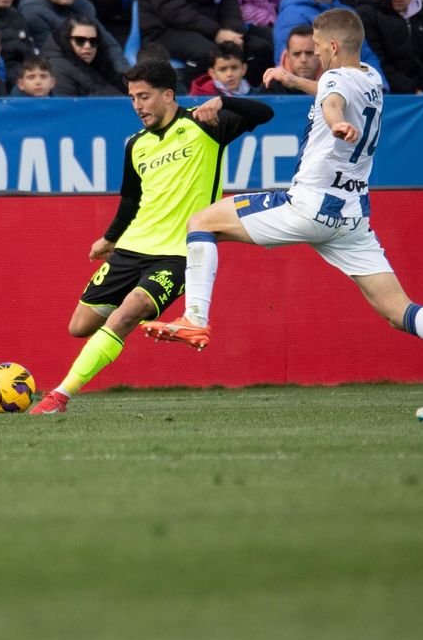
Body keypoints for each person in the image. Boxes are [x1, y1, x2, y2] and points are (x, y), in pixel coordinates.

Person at [145, 5, 423, 386]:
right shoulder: (370, 78)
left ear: (332, 47)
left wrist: (337, 124)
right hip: (351, 218)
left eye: (316, 46)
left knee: (202, 222)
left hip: (310, 205)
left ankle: (195, 319)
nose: (314, 53)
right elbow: (331, 91)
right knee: (398, 310)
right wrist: (291, 79)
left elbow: (332, 103)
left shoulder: (335, 83)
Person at [28, 56, 272, 414]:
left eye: (143, 97)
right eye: (132, 98)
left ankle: (58, 397)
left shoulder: (204, 123)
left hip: (178, 254)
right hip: (132, 248)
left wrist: (223, 101)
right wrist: (110, 238)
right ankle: (135, 311)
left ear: (168, 95)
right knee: (80, 326)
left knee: (125, 315)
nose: (137, 106)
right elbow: (131, 199)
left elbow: (265, 113)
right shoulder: (136, 144)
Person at [45, 13, 125, 95]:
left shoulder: (102, 64)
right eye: (80, 40)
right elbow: (66, 102)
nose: (87, 46)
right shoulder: (58, 68)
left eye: (93, 41)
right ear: (66, 41)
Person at [186, 41, 252, 96]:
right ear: (213, 73)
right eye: (223, 69)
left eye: (234, 68)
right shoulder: (201, 95)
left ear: (243, 69)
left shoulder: (252, 92)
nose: (229, 74)